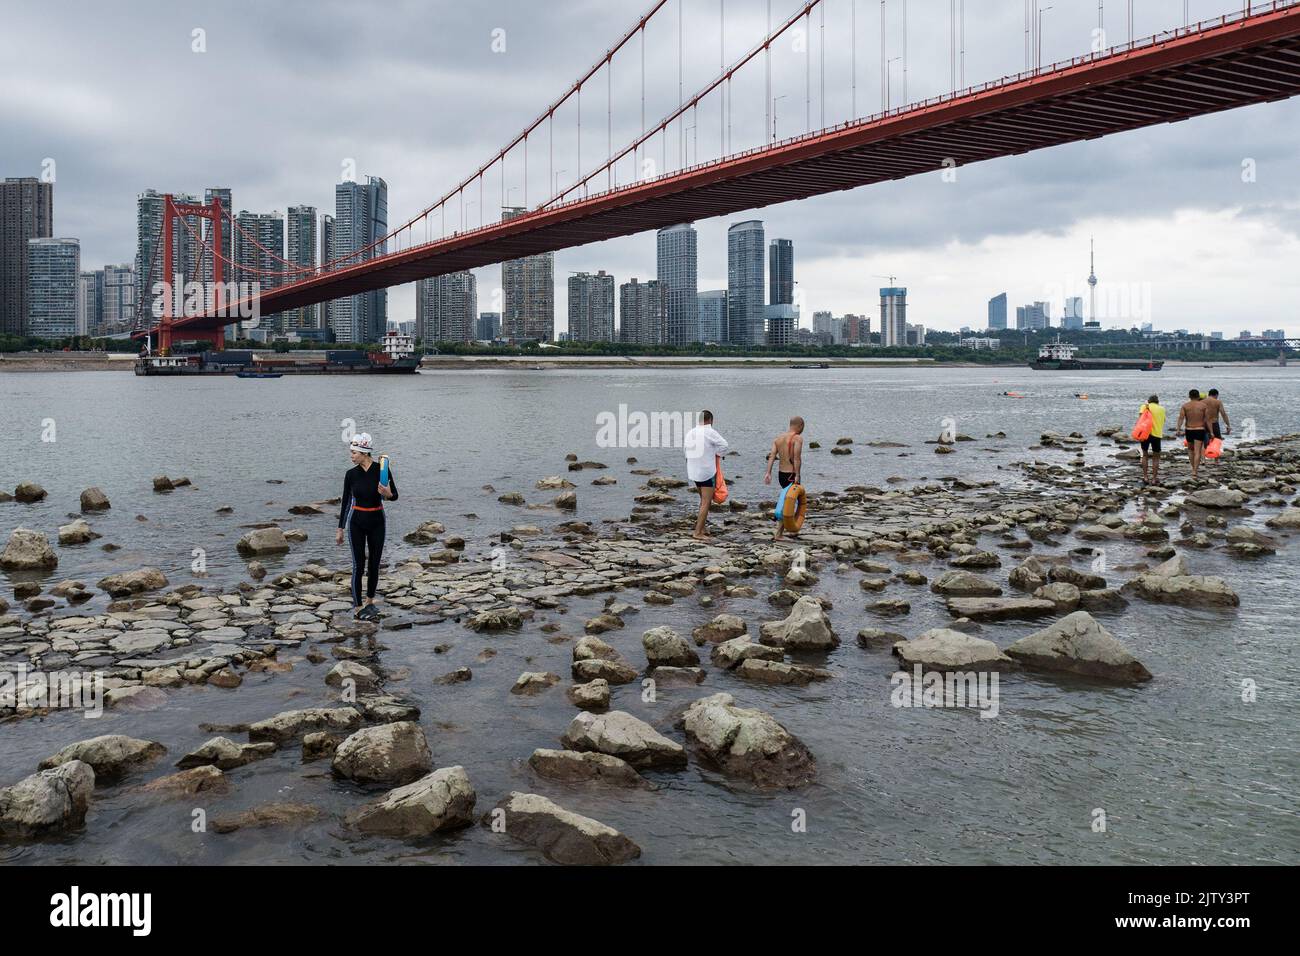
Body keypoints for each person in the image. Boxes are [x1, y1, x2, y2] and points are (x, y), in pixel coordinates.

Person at [335, 433, 397, 619]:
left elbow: (395, 496)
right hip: (357, 522)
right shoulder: (350, 474)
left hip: (378, 520)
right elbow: (346, 502)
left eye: (354, 452)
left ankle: (370, 601)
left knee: (374, 565)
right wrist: (340, 529)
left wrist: (387, 493)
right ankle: (358, 605)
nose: (351, 456)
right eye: (351, 452)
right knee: (358, 565)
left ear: (364, 453)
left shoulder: (382, 470)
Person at [683, 410, 729, 541]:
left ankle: (702, 528)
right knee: (706, 502)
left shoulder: (690, 432)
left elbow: (686, 451)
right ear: (711, 420)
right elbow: (724, 445)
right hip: (707, 471)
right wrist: (717, 454)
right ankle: (697, 532)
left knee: (703, 501)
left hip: (693, 471)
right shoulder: (710, 432)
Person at [764, 415, 805, 540]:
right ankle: (779, 533)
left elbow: (772, 456)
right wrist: (797, 474)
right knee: (789, 502)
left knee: (787, 501)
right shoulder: (797, 438)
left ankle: (783, 531)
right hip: (791, 475)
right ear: (800, 426)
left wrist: (768, 473)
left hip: (781, 474)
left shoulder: (778, 439)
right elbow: (797, 458)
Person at [1175, 388, 1210, 481]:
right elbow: (1207, 420)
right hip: (1199, 429)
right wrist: (1211, 431)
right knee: (1198, 451)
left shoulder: (1185, 406)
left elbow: (1181, 418)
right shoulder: (1203, 406)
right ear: (1198, 396)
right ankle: (1195, 471)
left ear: (1189, 396)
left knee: (1190, 450)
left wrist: (1178, 429)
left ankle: (1193, 468)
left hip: (1189, 429)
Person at [1137, 394, 1166, 486]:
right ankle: (1154, 479)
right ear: (1158, 401)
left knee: (1145, 455)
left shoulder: (1144, 406)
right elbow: (1163, 421)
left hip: (1145, 434)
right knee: (1156, 457)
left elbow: (1140, 419)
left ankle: (1145, 477)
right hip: (1157, 435)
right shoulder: (1162, 409)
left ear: (1149, 401)